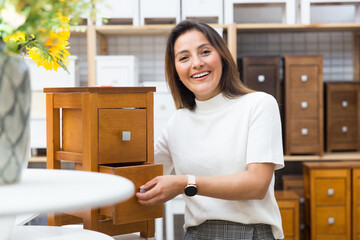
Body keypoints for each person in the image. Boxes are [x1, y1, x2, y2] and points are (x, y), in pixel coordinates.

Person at [136, 19, 285, 240]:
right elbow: (141, 178)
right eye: (184, 57)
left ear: (222, 57)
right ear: (176, 70)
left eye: (205, 52)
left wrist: (185, 183)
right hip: (195, 234)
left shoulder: (259, 105)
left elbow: (257, 184)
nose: (196, 63)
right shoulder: (177, 122)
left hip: (250, 233)